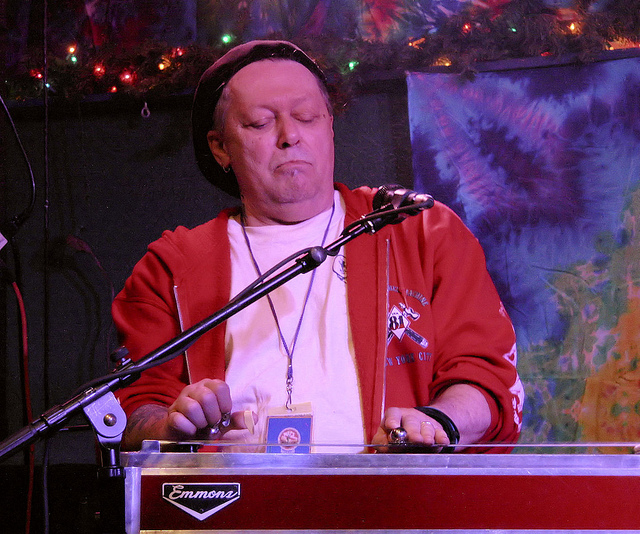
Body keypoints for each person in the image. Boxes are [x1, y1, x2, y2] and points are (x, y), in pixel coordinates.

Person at [113, 40, 524, 453]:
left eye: (307, 117)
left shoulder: (418, 230)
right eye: (259, 123)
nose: (290, 136)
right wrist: (170, 427)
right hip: (234, 494)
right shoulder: (171, 266)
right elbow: (129, 412)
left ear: (329, 127)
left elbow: (487, 379)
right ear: (220, 147)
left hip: (391, 490)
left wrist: (438, 421)